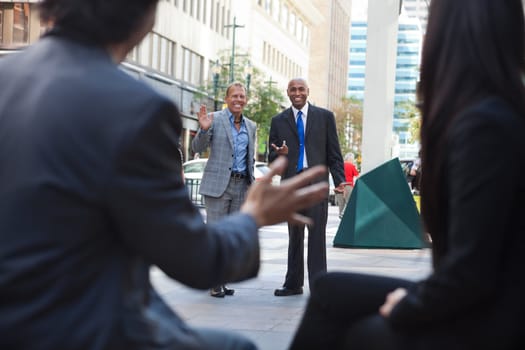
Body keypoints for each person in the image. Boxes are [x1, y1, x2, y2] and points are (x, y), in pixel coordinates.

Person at [0, 1, 330, 349]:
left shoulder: (8, 75)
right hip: (77, 328)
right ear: (145, 19)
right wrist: (255, 217)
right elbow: (196, 260)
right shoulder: (136, 108)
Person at [289, 0, 525, 348]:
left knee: (360, 333)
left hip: (493, 320)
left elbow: (470, 275)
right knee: (329, 291)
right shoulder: (495, 112)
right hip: (487, 301)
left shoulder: (485, 126)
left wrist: (405, 308)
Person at [268, 78, 345, 296]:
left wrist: (339, 180)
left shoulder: (325, 117)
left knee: (317, 235)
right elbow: (272, 158)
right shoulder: (278, 121)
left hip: (316, 184)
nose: (297, 93)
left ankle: (320, 285)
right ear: (288, 93)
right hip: (291, 185)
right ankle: (293, 284)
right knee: (295, 235)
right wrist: (279, 155)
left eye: (301, 89)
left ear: (308, 92)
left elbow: (334, 153)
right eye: (293, 89)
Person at [191, 82, 256, 298]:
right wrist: (203, 129)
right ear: (227, 99)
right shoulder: (214, 119)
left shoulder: (251, 126)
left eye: (242, 96)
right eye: (234, 96)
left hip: (241, 185)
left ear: (246, 100)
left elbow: (250, 159)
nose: (239, 99)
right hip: (218, 185)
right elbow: (197, 149)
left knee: (231, 236)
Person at [338, 152, 359, 218]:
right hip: (348, 185)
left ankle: (341, 215)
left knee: (341, 203)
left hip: (340, 186)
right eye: (353, 159)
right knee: (349, 201)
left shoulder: (340, 165)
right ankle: (344, 214)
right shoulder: (351, 166)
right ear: (350, 159)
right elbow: (357, 176)